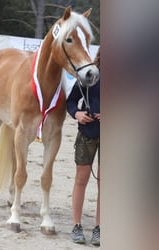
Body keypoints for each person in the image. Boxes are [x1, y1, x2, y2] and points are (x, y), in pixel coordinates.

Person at [67, 50, 100, 246]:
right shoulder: (89, 76)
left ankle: (99, 227)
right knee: (81, 180)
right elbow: (71, 101)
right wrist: (77, 114)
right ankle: (76, 225)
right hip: (87, 133)